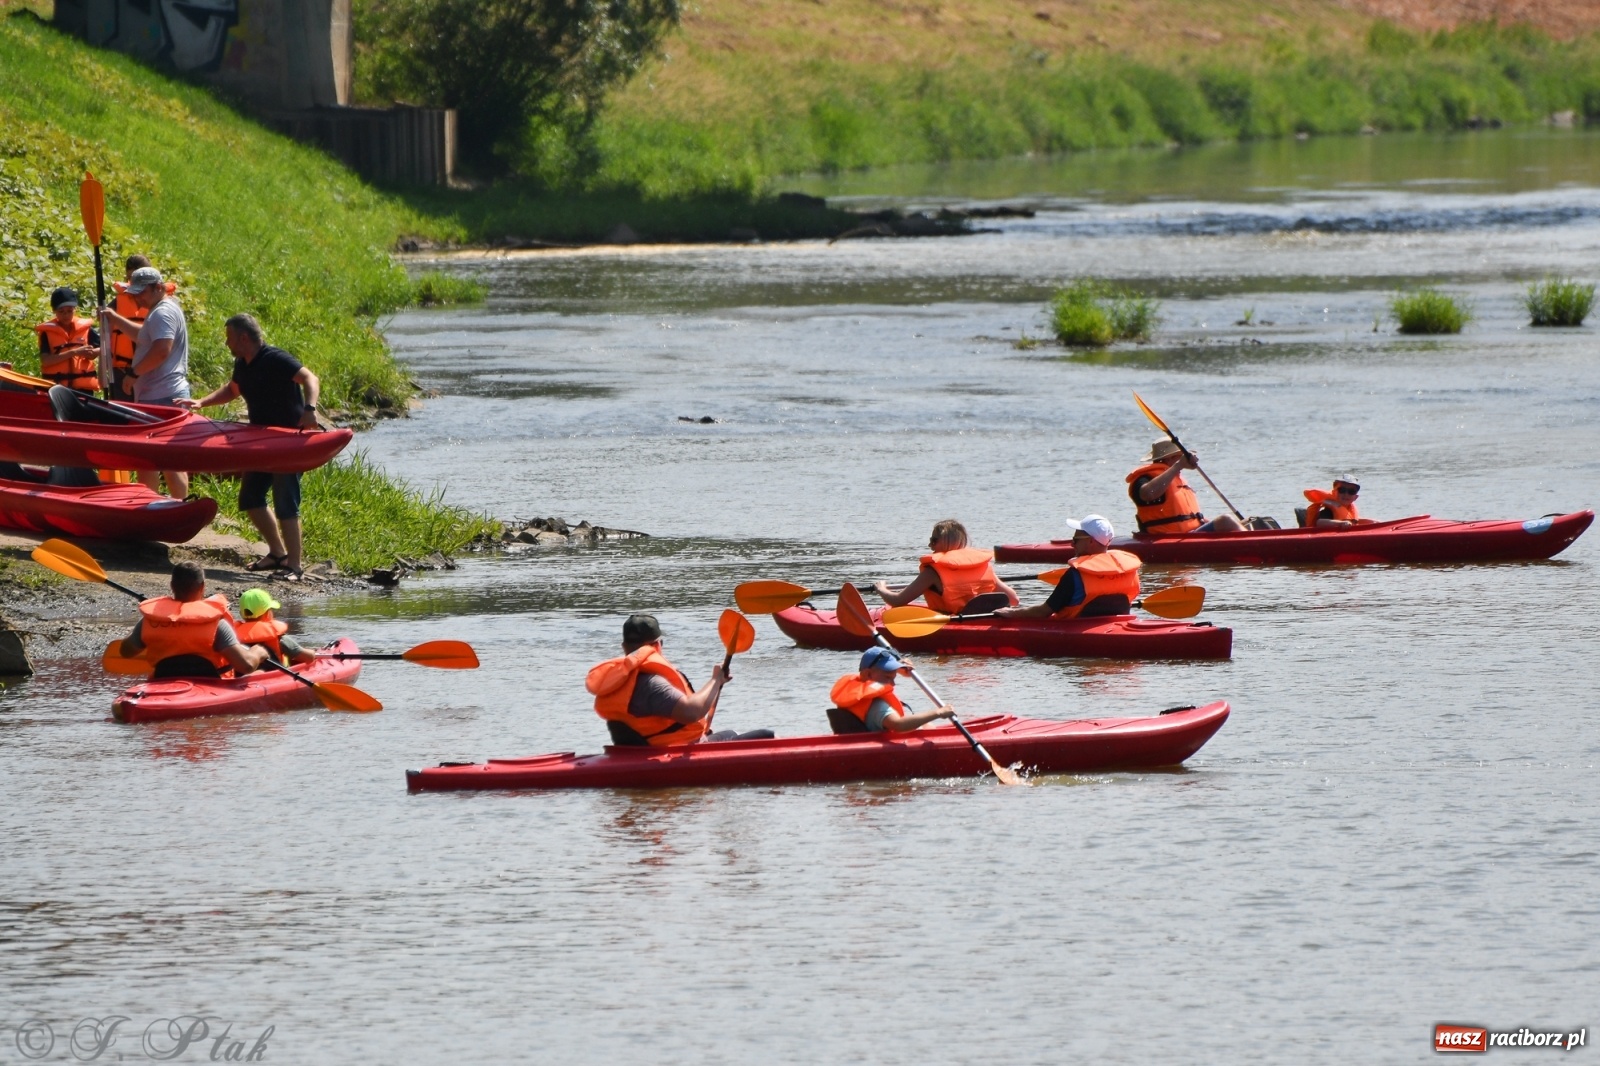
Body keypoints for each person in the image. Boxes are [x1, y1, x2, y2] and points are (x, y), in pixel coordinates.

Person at [179, 313, 321, 579]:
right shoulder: (242, 364)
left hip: (287, 443)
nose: (226, 343)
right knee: (251, 499)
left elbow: (310, 379)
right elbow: (232, 390)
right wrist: (201, 403)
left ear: (244, 338)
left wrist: (310, 409)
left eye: (229, 337)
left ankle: (295, 566)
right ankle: (278, 553)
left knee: (285, 502)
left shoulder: (276, 358)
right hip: (260, 442)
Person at [586, 614, 772, 746]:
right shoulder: (650, 683)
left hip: (641, 750)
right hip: (672, 753)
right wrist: (715, 681)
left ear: (624, 647)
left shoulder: (619, 681)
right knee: (768, 737)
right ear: (658, 645)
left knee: (731, 734)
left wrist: (717, 682)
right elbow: (691, 712)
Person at [100, 266, 190, 499]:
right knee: (159, 457)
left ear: (158, 287)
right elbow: (145, 336)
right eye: (135, 292)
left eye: (142, 292)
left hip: (162, 395)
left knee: (154, 457)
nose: (137, 297)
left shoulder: (162, 313)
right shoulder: (160, 310)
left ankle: (161, 504)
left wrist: (133, 373)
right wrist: (117, 319)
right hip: (161, 394)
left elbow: (161, 350)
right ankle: (161, 503)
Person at [118, 562, 267, 679]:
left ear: (172, 586)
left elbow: (126, 652)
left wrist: (152, 636)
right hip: (208, 685)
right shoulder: (217, 624)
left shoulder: (150, 621)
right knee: (259, 674)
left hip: (163, 681)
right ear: (202, 587)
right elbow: (246, 666)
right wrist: (258, 652)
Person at [994, 515, 1142, 620]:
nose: (1072, 544)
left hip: (1079, 630)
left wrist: (1012, 613)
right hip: (1116, 624)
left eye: (1076, 540)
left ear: (1091, 541)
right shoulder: (1129, 571)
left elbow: (1043, 612)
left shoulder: (1075, 575)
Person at [874, 519, 1018, 613]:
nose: (930, 545)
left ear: (947, 541)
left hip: (954, 621)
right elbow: (1013, 599)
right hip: (982, 619)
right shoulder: (983, 566)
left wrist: (881, 588)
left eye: (934, 540)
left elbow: (897, 601)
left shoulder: (932, 572)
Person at [827, 646, 955, 734]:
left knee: (927, 727)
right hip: (876, 750)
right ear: (868, 675)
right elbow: (899, 725)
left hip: (860, 740)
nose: (892, 683)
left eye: (894, 677)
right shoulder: (877, 705)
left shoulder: (857, 687)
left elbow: (874, 671)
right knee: (928, 728)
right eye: (888, 677)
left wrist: (899, 667)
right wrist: (938, 713)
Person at [1127, 440, 1243, 535]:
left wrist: (1210, 522)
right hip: (1168, 538)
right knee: (1226, 520)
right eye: (1180, 457)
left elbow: (1190, 517)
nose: (1184, 460)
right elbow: (1148, 494)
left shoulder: (1176, 477)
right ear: (1169, 459)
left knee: (1247, 522)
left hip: (1190, 533)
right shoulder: (1145, 478)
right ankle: (1254, 545)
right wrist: (1178, 466)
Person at [105, 254, 174, 400]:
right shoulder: (118, 301)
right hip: (121, 370)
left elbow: (160, 347)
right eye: (131, 279)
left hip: (148, 370)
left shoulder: (164, 308)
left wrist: (136, 372)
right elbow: (106, 334)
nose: (135, 285)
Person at [34, 287, 101, 394]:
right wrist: (74, 352)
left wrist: (93, 353)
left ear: (75, 310)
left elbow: (103, 347)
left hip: (83, 390)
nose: (66, 315)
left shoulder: (85, 328)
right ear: (54, 311)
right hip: (57, 388)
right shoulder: (47, 332)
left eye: (69, 311)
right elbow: (46, 361)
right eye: (61, 312)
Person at [233, 588, 315, 665]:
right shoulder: (281, 638)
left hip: (244, 676)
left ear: (241, 614)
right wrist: (313, 652)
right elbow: (308, 657)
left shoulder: (232, 637)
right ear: (268, 613)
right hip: (274, 676)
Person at [1303, 476, 1372, 529]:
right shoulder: (1328, 510)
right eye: (1342, 490)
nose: (1346, 494)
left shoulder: (1349, 509)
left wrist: (1373, 522)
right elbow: (1320, 522)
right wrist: (1340, 523)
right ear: (1334, 492)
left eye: (1351, 492)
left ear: (1355, 497)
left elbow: (1354, 521)